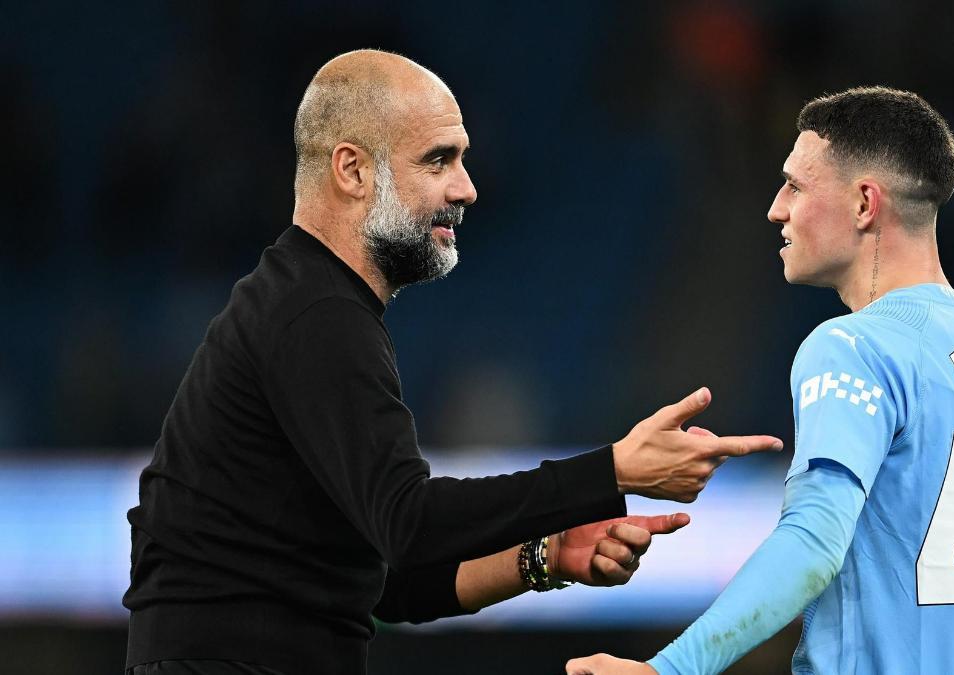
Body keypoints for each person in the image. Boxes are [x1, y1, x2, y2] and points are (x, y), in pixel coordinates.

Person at [122, 49, 785, 675]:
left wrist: (545, 558)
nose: (466, 188)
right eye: (438, 159)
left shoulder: (309, 305)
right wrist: (613, 469)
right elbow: (411, 523)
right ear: (351, 171)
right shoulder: (314, 315)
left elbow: (386, 586)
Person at [566, 87, 954, 674]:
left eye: (795, 185)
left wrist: (671, 669)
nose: (775, 208)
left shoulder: (853, 348)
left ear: (866, 204)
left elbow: (814, 543)